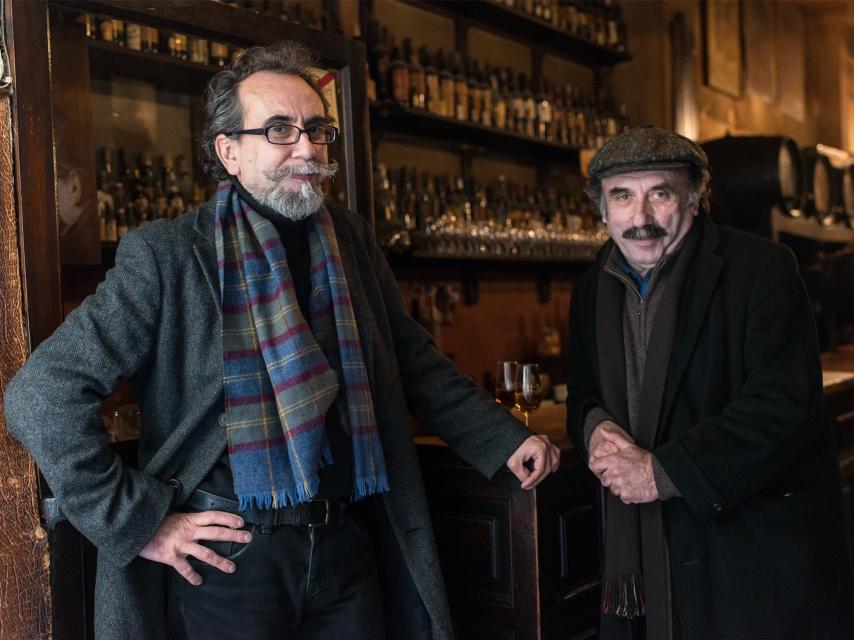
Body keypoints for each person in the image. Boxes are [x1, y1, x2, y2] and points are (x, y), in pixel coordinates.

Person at [4, 42, 560, 640]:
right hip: (228, 558)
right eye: (279, 130)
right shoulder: (168, 254)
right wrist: (140, 522)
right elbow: (40, 394)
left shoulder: (348, 239)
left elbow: (411, 362)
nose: (308, 148)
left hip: (348, 539)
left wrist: (503, 437)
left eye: (317, 129)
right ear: (230, 152)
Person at [565, 125, 854, 640]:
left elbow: (784, 407)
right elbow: (582, 388)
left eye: (661, 193)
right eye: (623, 197)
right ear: (602, 210)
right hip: (650, 553)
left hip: (750, 549)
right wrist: (593, 426)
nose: (642, 218)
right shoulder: (590, 290)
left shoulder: (762, 269)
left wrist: (661, 471)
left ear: (695, 199)